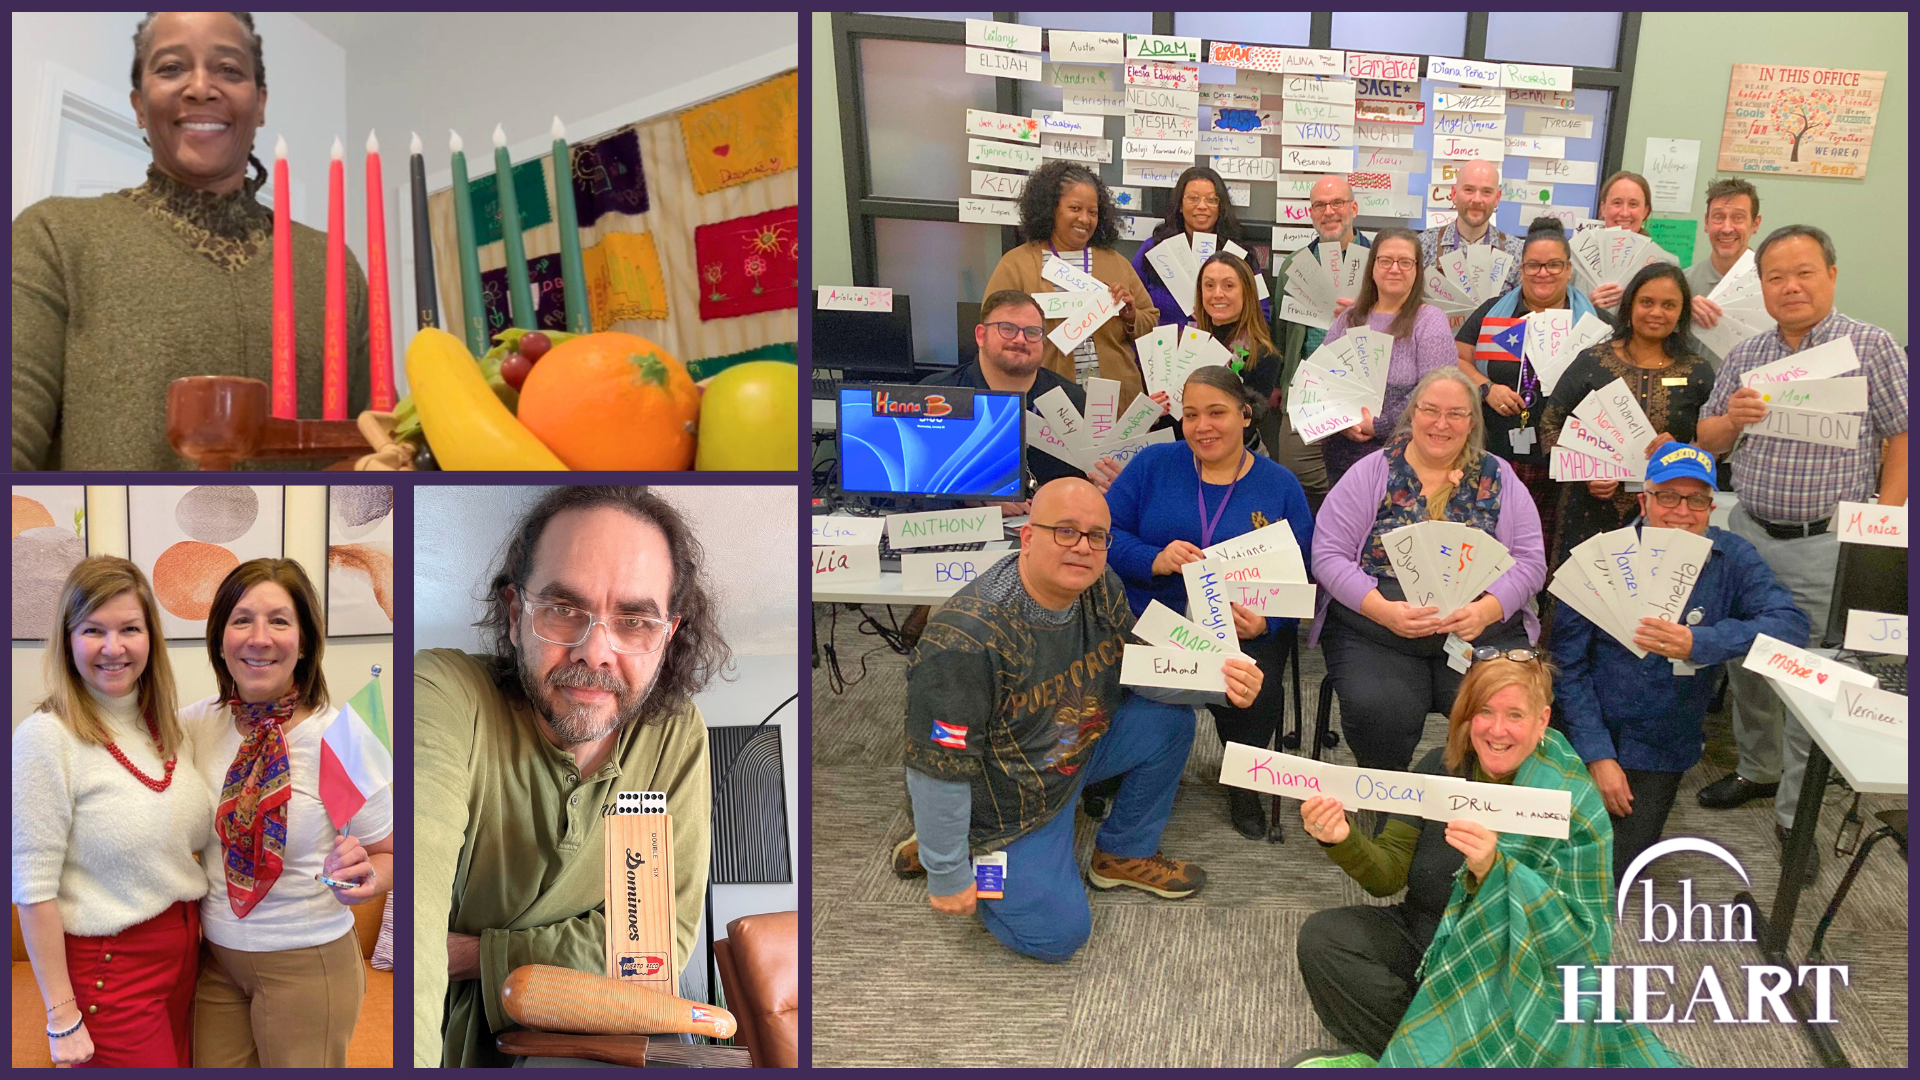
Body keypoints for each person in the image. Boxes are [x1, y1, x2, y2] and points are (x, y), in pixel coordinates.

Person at [414, 487, 727, 1066]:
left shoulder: (675, 735)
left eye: (634, 621)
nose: (596, 652)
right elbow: (416, 899)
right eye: (563, 610)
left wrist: (472, 955)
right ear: (515, 615)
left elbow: (652, 953)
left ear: (667, 637)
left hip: (615, 1044)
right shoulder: (442, 693)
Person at [892, 478, 1263, 962]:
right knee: (1058, 935)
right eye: (1065, 531)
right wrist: (947, 876)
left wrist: (1219, 681)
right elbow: (938, 767)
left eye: (1096, 536)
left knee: (1170, 725)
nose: (1083, 547)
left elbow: (1137, 667)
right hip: (1007, 799)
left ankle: (1122, 852)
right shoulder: (962, 643)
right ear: (1027, 537)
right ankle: (960, 847)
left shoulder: (1097, 584)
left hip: (1072, 748)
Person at [12, 11, 372, 470]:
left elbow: (371, 444)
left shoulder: (330, 266)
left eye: (229, 69)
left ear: (260, 104)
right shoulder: (55, 237)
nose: (201, 87)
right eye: (171, 68)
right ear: (139, 104)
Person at [1288, 654, 1682, 1067]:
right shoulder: (1441, 768)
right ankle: (1420, 1054)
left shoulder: (1571, 801)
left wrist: (1497, 873)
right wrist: (1343, 839)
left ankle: (1430, 1053)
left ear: (1542, 720)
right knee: (1325, 938)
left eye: (1515, 715)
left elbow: (1582, 940)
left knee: (1538, 1023)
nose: (1497, 730)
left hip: (1512, 969)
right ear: (1466, 716)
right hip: (1429, 939)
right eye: (1485, 712)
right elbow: (1387, 876)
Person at [1692, 226, 1908, 859]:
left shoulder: (1872, 346)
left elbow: (1901, 436)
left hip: (1827, 544)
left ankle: (1796, 814)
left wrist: (1884, 522)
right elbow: (1707, 439)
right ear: (1760, 287)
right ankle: (1757, 771)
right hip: (1749, 536)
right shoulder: (1748, 351)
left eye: (1804, 273)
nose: (1790, 287)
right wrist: (1732, 417)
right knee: (1750, 662)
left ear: (1831, 275)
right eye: (1776, 277)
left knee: (1814, 675)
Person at [1552, 444, 1810, 881]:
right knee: (1551, 857)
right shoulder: (1599, 557)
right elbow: (1566, 666)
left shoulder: (1733, 557)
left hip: (1661, 742)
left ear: (1712, 506)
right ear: (1644, 500)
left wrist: (1701, 641)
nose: (1681, 512)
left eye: (1696, 500)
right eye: (1668, 497)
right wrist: (1597, 755)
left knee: (1613, 873)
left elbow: (1791, 626)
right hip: (1584, 728)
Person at [182, 558, 392, 1067]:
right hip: (218, 962)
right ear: (220, 639)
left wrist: (367, 878)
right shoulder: (193, 725)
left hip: (308, 962)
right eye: (241, 620)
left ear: (304, 641)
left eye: (279, 620)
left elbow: (389, 853)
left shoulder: (346, 738)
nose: (259, 637)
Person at [12, 557, 213, 1067]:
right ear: (68, 638)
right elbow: (33, 889)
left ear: (151, 638)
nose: (113, 647)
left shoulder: (167, 728)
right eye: (93, 630)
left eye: (129, 629)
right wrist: (62, 1016)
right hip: (112, 966)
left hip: (188, 957)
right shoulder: (45, 738)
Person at [1105, 365, 1313, 840]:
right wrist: (1153, 558)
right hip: (1151, 613)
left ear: (1245, 414)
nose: (1202, 426)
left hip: (1242, 625)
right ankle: (1125, 758)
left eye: (1216, 412)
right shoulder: (1152, 465)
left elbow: (1304, 569)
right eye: (1191, 414)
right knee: (1111, 672)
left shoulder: (1280, 485)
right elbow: (1103, 535)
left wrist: (1268, 620)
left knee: (1258, 691)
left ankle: (1242, 781)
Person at [1309, 367, 1546, 772]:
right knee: (1380, 709)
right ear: (1412, 414)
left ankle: (1476, 803)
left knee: (1503, 709)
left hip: (1480, 629)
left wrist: (1487, 610)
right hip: (1377, 629)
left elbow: (1530, 561)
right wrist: (1382, 610)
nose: (1441, 423)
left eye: (1456, 414)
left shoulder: (1500, 477)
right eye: (1430, 410)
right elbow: (1328, 555)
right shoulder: (1372, 472)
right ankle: (1389, 800)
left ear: (1472, 422)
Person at [1539, 262, 1715, 564]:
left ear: (1682, 313)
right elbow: (1550, 426)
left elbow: (1714, 445)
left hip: (1669, 513)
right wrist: (1586, 473)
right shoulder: (1592, 361)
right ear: (1630, 305)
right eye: (1646, 302)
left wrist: (1682, 452)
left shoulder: (1697, 371)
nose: (1656, 313)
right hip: (1588, 511)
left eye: (1668, 305)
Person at [1455, 217, 1605, 556]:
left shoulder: (1596, 322)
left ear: (1569, 270)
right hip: (1499, 456)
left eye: (1553, 265)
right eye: (1533, 265)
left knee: (1553, 552)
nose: (1543, 273)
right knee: (1493, 547)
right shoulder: (1494, 314)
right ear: (1521, 269)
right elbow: (1458, 359)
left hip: (1567, 462)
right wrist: (1486, 387)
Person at [982, 160, 1157, 402]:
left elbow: (1151, 321)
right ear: (1051, 209)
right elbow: (992, 330)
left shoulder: (1115, 263)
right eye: (1075, 208)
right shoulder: (1017, 264)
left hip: (1117, 399)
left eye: (1092, 212)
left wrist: (1130, 316)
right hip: (1048, 400)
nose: (1084, 219)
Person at [922, 288, 1107, 492]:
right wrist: (968, 496)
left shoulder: (1073, 400)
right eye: (1008, 329)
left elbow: (1089, 483)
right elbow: (902, 493)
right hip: (963, 521)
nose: (1020, 339)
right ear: (981, 335)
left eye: (1032, 332)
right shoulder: (936, 396)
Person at [1318, 227, 1459, 487]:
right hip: (1343, 453)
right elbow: (1322, 380)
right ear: (1373, 266)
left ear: (1417, 270)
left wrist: (1379, 425)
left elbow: (1435, 392)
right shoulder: (1348, 319)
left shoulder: (1429, 320)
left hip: (1407, 456)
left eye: (1405, 262)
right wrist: (1341, 422)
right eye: (1385, 261)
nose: (1395, 269)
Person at [1271, 175, 1368, 504]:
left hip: (1362, 395)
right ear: (1311, 214)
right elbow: (1281, 336)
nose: (1329, 212)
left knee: (1360, 490)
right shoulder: (1294, 266)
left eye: (1337, 203)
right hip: (1306, 394)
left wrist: (1367, 314)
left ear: (1353, 208)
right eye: (1319, 205)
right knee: (1296, 486)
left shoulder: (1382, 263)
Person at [1131, 165, 1269, 334]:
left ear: (1221, 207)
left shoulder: (1239, 254)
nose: (1202, 206)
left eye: (1211, 200)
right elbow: (1131, 306)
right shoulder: (1154, 249)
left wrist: (1224, 316)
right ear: (1180, 205)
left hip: (1224, 352)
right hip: (1162, 352)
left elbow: (1263, 315)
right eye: (1193, 198)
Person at [1684, 177, 1764, 368]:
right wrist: (1681, 312)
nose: (1727, 228)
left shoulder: (1774, 284)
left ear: (1755, 224)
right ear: (1706, 222)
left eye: (1738, 218)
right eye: (1718, 217)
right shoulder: (1683, 283)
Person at [1417, 160, 1525, 293]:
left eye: (1486, 192)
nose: (1477, 200)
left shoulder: (1517, 253)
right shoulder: (1423, 245)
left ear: (1497, 198)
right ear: (1454, 194)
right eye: (1469, 190)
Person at [1586, 170, 1654, 312]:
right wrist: (1587, 305)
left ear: (1645, 211)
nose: (1624, 212)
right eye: (1617, 203)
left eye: (1633, 204)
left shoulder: (1662, 263)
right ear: (1603, 209)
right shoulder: (1574, 258)